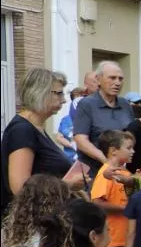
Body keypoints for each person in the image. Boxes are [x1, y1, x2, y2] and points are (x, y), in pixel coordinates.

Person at [2, 68, 81, 218]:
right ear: (39, 92)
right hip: (30, 223)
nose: (63, 100)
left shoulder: (36, 128)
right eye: (58, 93)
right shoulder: (22, 130)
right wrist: (68, 185)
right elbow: (20, 188)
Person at [89, 130, 135, 247]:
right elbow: (97, 202)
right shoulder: (105, 173)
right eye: (129, 148)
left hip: (125, 238)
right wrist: (125, 208)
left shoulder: (125, 173)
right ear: (113, 150)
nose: (133, 152)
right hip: (112, 238)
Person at [72, 61, 134, 177]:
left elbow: (130, 135)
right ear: (98, 79)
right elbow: (80, 140)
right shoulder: (87, 104)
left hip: (119, 171)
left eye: (120, 79)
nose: (117, 83)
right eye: (112, 78)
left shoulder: (125, 104)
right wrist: (106, 160)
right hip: (93, 172)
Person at [54, 89, 83, 162]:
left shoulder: (89, 118)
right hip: (70, 158)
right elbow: (59, 137)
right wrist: (72, 145)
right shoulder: (66, 119)